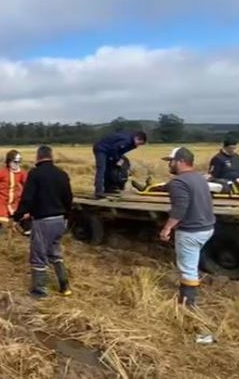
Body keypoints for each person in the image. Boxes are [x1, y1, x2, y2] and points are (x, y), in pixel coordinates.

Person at [158, 147, 215, 308]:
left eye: (171, 161)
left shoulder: (179, 182)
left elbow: (180, 208)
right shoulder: (199, 178)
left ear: (181, 161)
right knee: (193, 260)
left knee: (187, 268)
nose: (169, 165)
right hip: (207, 227)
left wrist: (167, 228)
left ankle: (187, 305)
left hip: (191, 230)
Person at [13, 146, 73, 298]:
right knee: (55, 253)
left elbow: (27, 198)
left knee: (39, 255)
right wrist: (66, 217)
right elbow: (69, 198)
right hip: (60, 220)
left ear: (38, 157)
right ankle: (64, 286)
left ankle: (40, 291)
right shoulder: (62, 174)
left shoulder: (35, 174)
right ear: (51, 156)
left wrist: (18, 215)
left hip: (43, 221)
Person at [0, 150, 27, 241]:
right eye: (15, 162)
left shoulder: (22, 173)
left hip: (15, 201)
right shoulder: (1, 172)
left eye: (19, 162)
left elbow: (28, 184)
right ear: (9, 161)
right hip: (1, 200)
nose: (17, 164)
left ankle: (26, 233)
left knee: (21, 216)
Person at [92, 131, 147, 198]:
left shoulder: (130, 140)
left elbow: (118, 150)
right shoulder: (127, 141)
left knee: (109, 169)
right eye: (139, 143)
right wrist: (117, 160)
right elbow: (114, 149)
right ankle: (98, 192)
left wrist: (117, 159)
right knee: (101, 169)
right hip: (101, 149)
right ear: (137, 138)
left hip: (109, 151)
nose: (138, 146)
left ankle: (108, 189)